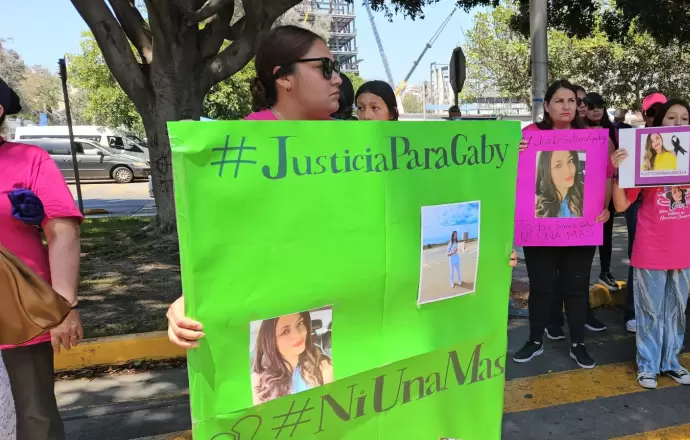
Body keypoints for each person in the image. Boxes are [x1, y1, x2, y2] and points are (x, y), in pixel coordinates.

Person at [167, 26, 520, 347]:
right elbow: (225, 242)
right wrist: (190, 302)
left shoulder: (357, 142)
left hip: (360, 323)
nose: (338, 79)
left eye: (336, 68)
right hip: (290, 322)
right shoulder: (238, 148)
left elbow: (409, 217)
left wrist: (485, 250)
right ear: (283, 78)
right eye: (325, 68)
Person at [0, 78, 86, 440]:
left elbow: (63, 231)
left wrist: (63, 305)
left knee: (33, 409)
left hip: (22, 312)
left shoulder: (28, 161)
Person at [610, 99, 690, 389]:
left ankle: (671, 361)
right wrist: (618, 172)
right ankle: (647, 365)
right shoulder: (642, 159)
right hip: (650, 248)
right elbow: (622, 205)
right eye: (671, 117)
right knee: (649, 311)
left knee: (675, 311)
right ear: (658, 125)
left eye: (684, 117)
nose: (677, 122)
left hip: (684, 249)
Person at [512, 79, 612, 370]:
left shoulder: (592, 138)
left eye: (571, 101)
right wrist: (513, 153)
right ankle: (534, 340)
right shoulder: (529, 136)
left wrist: (604, 208)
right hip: (539, 229)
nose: (566, 106)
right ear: (546, 106)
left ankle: (578, 343)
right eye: (559, 100)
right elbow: (512, 175)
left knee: (577, 289)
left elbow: (605, 177)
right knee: (542, 287)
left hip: (581, 229)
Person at [622, 93, 668, 333]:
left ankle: (661, 312)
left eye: (661, 112)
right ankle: (633, 311)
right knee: (638, 258)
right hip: (639, 205)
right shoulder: (634, 140)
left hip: (669, 206)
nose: (655, 117)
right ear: (644, 114)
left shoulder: (679, 141)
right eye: (652, 112)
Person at [582, 92, 621, 291]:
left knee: (606, 232)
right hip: (583, 192)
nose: (596, 110)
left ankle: (605, 272)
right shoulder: (576, 130)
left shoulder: (613, 130)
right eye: (591, 106)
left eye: (600, 106)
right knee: (584, 239)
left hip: (608, 190)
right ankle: (582, 277)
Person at [252, 312, 334, 404]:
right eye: (285, 332)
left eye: (300, 323)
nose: (298, 335)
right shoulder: (259, 381)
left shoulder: (324, 366)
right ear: (271, 341)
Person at [535, 150, 585, 218]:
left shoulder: (585, 193)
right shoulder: (537, 206)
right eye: (558, 165)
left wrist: (602, 213)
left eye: (570, 161)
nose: (568, 170)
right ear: (546, 172)